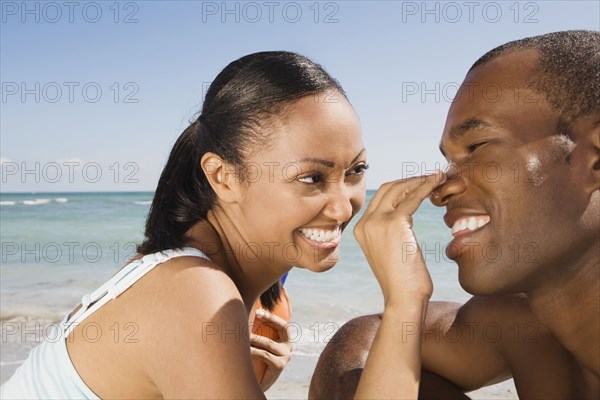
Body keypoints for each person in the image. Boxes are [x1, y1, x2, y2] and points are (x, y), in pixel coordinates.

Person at [1, 51, 441, 399]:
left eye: (356, 171)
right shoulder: (194, 294)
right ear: (222, 177)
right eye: (311, 178)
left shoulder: (259, 297)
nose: (344, 207)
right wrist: (406, 298)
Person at [309, 30, 600, 399]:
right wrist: (406, 299)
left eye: (477, 146)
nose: (441, 188)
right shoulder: (527, 327)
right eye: (448, 160)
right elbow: (365, 338)